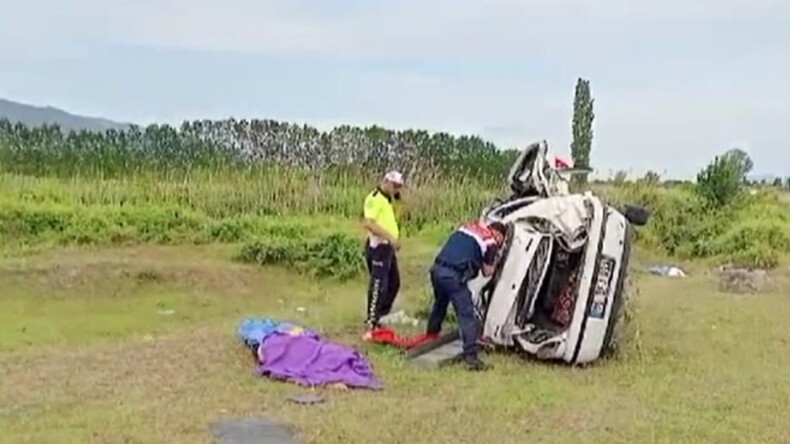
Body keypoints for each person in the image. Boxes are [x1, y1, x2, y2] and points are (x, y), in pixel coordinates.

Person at [425, 219, 508, 371]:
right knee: (466, 313)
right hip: (453, 275)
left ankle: (431, 335)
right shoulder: (490, 241)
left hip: (436, 269)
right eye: (502, 239)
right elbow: (487, 271)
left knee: (440, 303)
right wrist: (497, 259)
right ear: (499, 234)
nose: (500, 242)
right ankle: (471, 356)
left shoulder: (469, 227)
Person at [361, 170, 404, 339]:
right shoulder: (374, 198)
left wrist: (398, 197)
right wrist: (391, 238)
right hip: (378, 247)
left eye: (398, 187)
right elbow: (369, 224)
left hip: (388, 249)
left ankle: (380, 315)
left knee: (394, 283)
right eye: (394, 186)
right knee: (379, 285)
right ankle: (371, 322)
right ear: (385, 181)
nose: (396, 190)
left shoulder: (389, 199)